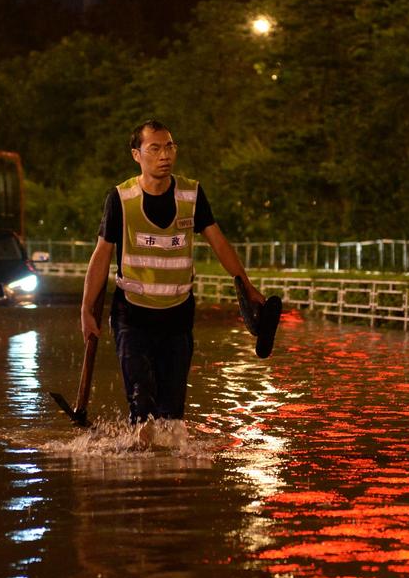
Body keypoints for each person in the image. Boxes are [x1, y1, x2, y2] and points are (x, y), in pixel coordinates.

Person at [80, 119, 268, 425]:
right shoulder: (120, 199)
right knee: (142, 403)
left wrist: (246, 287)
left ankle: (165, 469)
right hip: (133, 316)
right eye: (154, 148)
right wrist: (87, 310)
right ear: (136, 154)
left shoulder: (191, 195)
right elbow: (101, 256)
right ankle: (140, 464)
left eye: (170, 146)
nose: (164, 155)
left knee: (172, 415)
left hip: (178, 317)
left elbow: (219, 242)